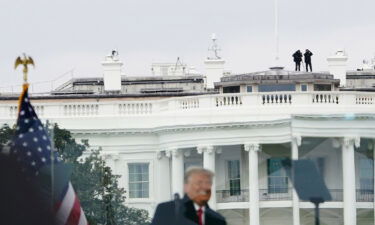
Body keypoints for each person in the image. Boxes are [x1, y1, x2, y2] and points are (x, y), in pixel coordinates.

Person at [151, 167, 227, 225]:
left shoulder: (219, 219)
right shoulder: (167, 210)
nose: (204, 187)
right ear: (186, 187)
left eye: (208, 183)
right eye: (199, 183)